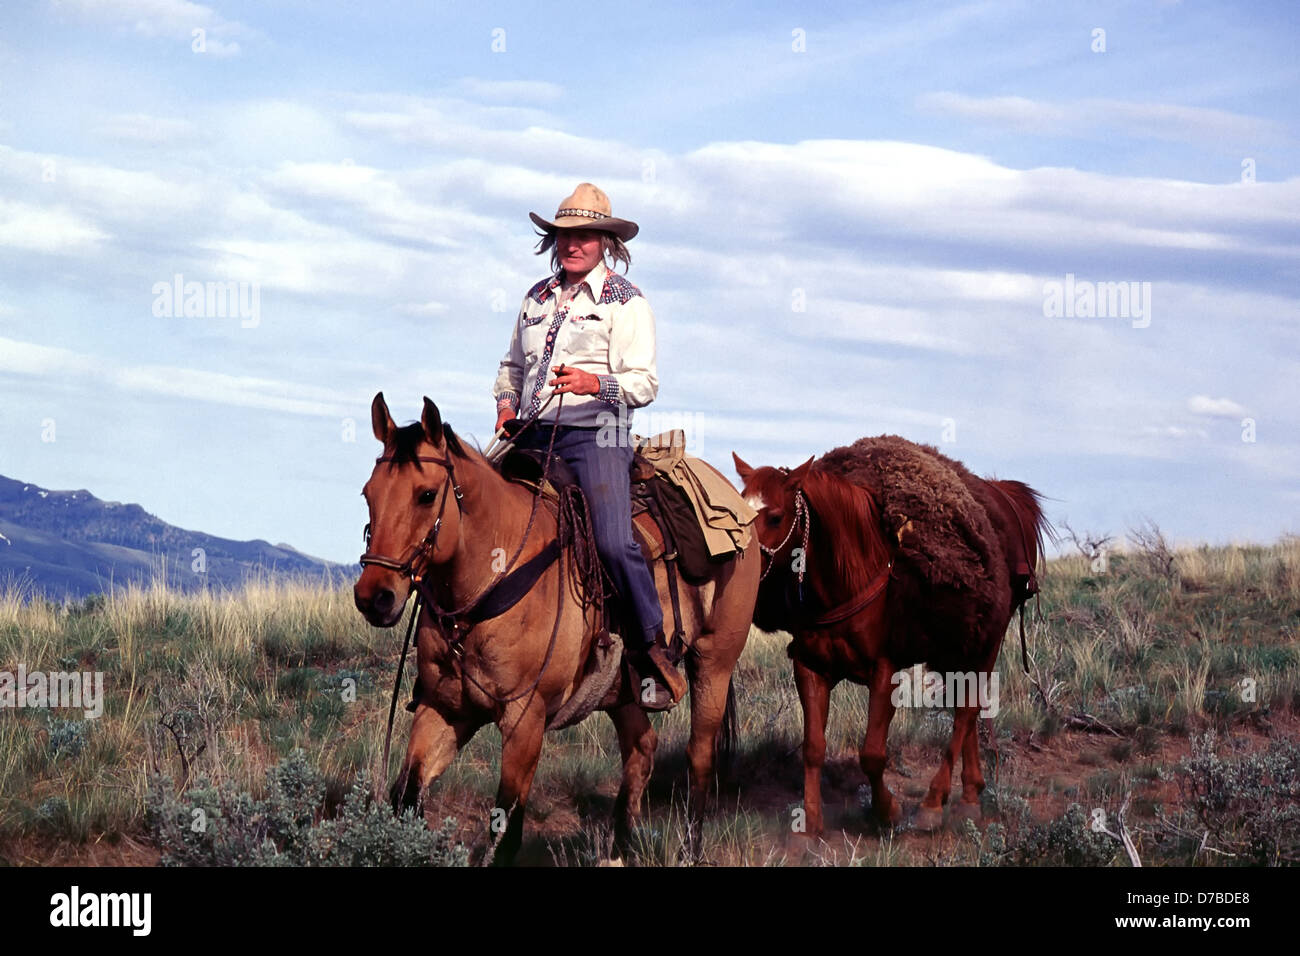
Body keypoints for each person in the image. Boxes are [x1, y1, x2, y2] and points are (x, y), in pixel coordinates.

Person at [492, 183, 687, 708]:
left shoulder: (626, 301)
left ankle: (652, 646)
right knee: (464, 501)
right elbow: (510, 368)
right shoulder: (535, 297)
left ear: (606, 241)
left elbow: (644, 383)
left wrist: (591, 384)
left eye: (584, 235)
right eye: (564, 235)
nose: (572, 244)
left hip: (598, 434)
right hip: (531, 431)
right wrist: (506, 409)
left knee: (611, 538)